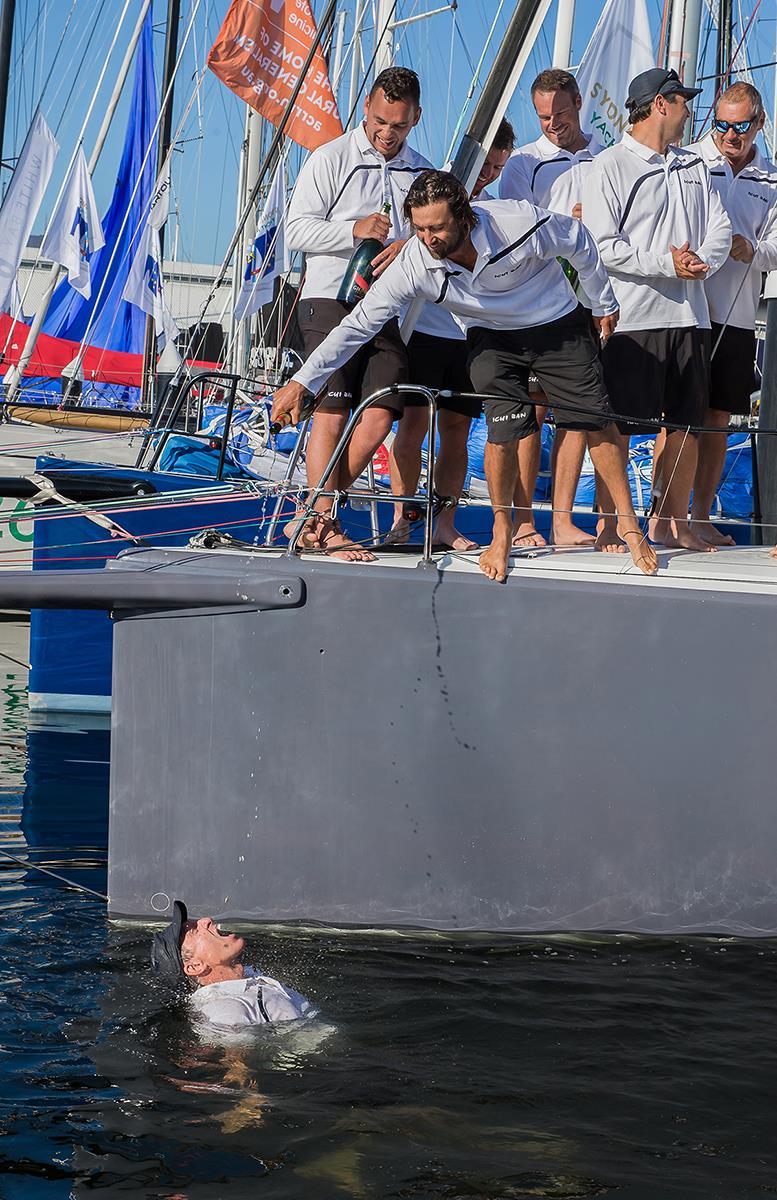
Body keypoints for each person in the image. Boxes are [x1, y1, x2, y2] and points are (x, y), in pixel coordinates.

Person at [271, 170, 658, 583]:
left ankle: (629, 525)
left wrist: (602, 302)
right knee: (503, 431)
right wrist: (302, 382)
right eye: (419, 229)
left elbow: (578, 239)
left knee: (593, 419)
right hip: (490, 336)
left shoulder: (517, 222)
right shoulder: (415, 263)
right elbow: (359, 325)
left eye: (437, 227)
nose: (428, 238)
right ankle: (502, 528)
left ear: (464, 217)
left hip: (555, 321)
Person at [285, 66, 433, 561]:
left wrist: (411, 242)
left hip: (385, 307)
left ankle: (310, 515)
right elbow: (296, 231)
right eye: (379, 121)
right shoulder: (332, 158)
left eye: (399, 125)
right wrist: (354, 230)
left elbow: (442, 237)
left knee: (379, 416)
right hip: (329, 296)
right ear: (365, 109)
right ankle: (323, 523)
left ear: (416, 118)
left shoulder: (423, 172)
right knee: (332, 408)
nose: (387, 134)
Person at [583, 67, 732, 553]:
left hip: (691, 317)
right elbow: (603, 246)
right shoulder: (608, 165)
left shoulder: (693, 165)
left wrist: (701, 263)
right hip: (635, 319)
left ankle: (672, 524)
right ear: (660, 104)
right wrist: (667, 264)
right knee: (621, 428)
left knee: (686, 425)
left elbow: (721, 228)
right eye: (684, 100)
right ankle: (612, 524)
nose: (691, 108)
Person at [388, 118, 516, 551]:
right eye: (485, 167)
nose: (489, 177)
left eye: (497, 169)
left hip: (468, 335)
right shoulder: (430, 193)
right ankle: (402, 517)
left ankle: (445, 523)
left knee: (457, 431)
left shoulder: (497, 212)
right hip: (423, 327)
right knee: (411, 427)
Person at [500, 69, 605, 551]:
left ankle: (562, 522)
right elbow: (516, 234)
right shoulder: (523, 164)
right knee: (530, 412)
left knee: (577, 412)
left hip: (593, 297)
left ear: (579, 102)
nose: (552, 125)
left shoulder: (604, 153)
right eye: (543, 116)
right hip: (539, 302)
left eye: (560, 113)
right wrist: (568, 224)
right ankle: (523, 523)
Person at [688, 83, 777, 545]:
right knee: (679, 414)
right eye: (720, 124)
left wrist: (753, 250)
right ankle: (664, 516)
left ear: (759, 123)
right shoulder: (690, 162)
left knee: (718, 419)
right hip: (688, 311)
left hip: (739, 317)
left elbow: (776, 249)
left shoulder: (773, 179)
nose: (728, 134)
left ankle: (700, 516)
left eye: (739, 126)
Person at [152, 900, 314, 1028]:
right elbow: (236, 1064)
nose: (206, 920)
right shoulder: (225, 1009)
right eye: (194, 930)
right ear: (195, 966)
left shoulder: (250, 979)